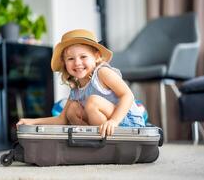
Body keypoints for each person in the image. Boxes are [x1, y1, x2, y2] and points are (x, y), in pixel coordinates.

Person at [16, 29, 145, 137]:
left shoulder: (102, 73)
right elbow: (62, 119)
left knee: (93, 101)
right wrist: (32, 122)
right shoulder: (76, 87)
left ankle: (107, 140)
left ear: (97, 56)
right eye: (71, 59)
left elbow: (128, 95)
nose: (77, 63)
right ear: (64, 63)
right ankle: (92, 140)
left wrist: (113, 121)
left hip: (127, 122)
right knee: (72, 110)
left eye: (83, 57)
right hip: (106, 125)